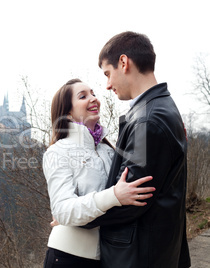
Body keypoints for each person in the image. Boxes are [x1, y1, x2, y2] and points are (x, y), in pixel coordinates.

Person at [77, 31, 191, 268]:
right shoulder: (161, 107)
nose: (107, 85)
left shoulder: (147, 120)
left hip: (139, 256)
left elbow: (133, 198)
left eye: (108, 74)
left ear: (123, 62)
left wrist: (78, 216)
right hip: (154, 250)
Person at [43, 78, 155, 268]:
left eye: (93, 93)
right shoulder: (57, 152)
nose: (94, 98)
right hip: (67, 257)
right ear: (68, 113)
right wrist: (114, 196)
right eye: (83, 96)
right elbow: (62, 211)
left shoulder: (109, 150)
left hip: (108, 256)